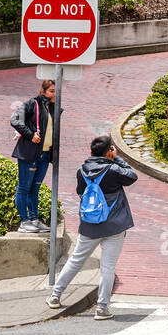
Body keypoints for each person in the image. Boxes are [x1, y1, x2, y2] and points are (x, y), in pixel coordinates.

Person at [46, 136, 138, 320]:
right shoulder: (114, 170)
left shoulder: (82, 171)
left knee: (76, 260)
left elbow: (80, 192)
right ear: (109, 151)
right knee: (107, 267)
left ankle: (55, 295)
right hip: (114, 226)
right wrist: (117, 158)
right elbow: (132, 176)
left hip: (89, 225)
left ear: (91, 152)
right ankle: (102, 308)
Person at [11, 79, 57, 233]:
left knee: (35, 189)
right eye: (51, 91)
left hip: (45, 155)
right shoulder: (33, 103)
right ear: (43, 92)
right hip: (29, 154)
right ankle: (24, 222)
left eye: (56, 91)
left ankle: (34, 219)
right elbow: (15, 120)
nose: (54, 94)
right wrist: (30, 135)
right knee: (24, 188)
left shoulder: (53, 108)